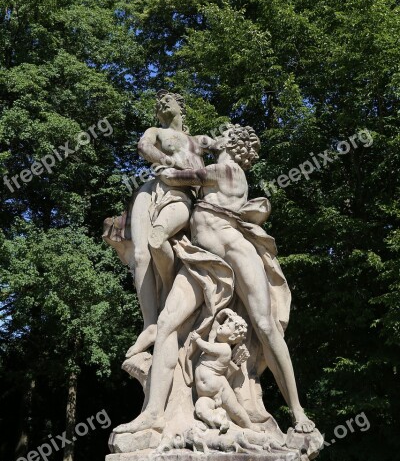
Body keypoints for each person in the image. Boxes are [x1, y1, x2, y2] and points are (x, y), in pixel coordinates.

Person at [114, 124, 314, 434]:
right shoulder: (216, 169)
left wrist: (164, 152)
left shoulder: (225, 170)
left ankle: (299, 413)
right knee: (167, 323)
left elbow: (174, 176)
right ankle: (154, 412)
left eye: (221, 133)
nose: (212, 136)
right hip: (203, 260)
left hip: (236, 251)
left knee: (265, 326)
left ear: (231, 143)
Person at [110, 90, 214, 358]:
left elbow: (223, 148)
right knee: (142, 253)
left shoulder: (197, 140)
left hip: (183, 194)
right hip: (153, 188)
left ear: (181, 107)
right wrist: (168, 161)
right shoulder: (155, 131)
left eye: (168, 100)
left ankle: (169, 294)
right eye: (158, 103)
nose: (161, 103)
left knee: (158, 240)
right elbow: (144, 147)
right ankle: (149, 324)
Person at [193, 310, 259, 432]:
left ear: (233, 336)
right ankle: (220, 421)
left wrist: (197, 339)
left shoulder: (224, 349)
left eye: (227, 326)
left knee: (235, 409)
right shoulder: (214, 340)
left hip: (220, 388)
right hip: (206, 395)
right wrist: (224, 312)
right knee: (200, 408)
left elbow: (206, 347)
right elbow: (216, 323)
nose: (222, 326)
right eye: (224, 323)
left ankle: (249, 426)